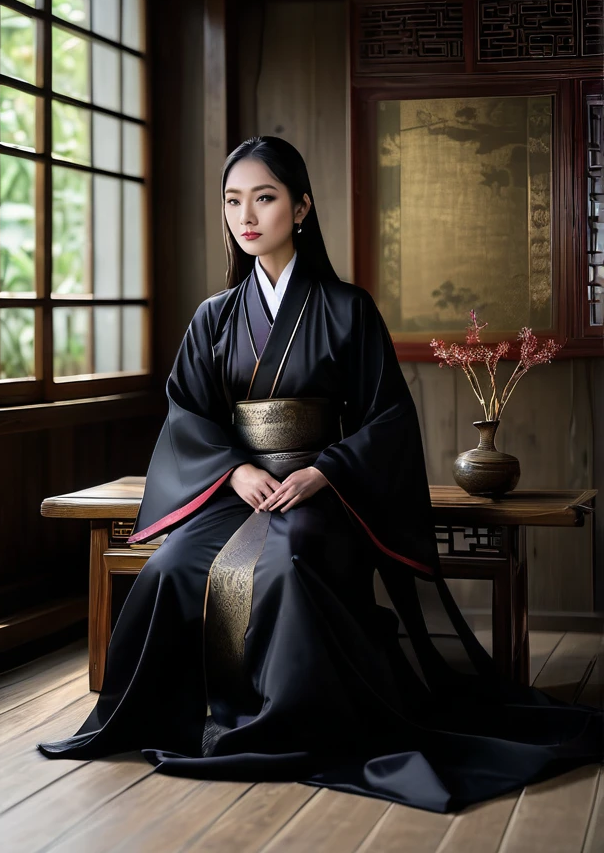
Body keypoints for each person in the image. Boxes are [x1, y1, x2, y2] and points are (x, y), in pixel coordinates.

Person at [37, 136, 603, 812]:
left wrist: (327, 471)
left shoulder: (346, 309)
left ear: (301, 207)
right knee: (171, 567)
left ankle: (288, 720)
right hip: (237, 489)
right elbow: (188, 413)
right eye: (233, 201)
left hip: (320, 492)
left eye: (266, 198)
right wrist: (236, 469)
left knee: (290, 560)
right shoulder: (213, 319)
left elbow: (388, 417)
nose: (247, 215)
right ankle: (187, 717)